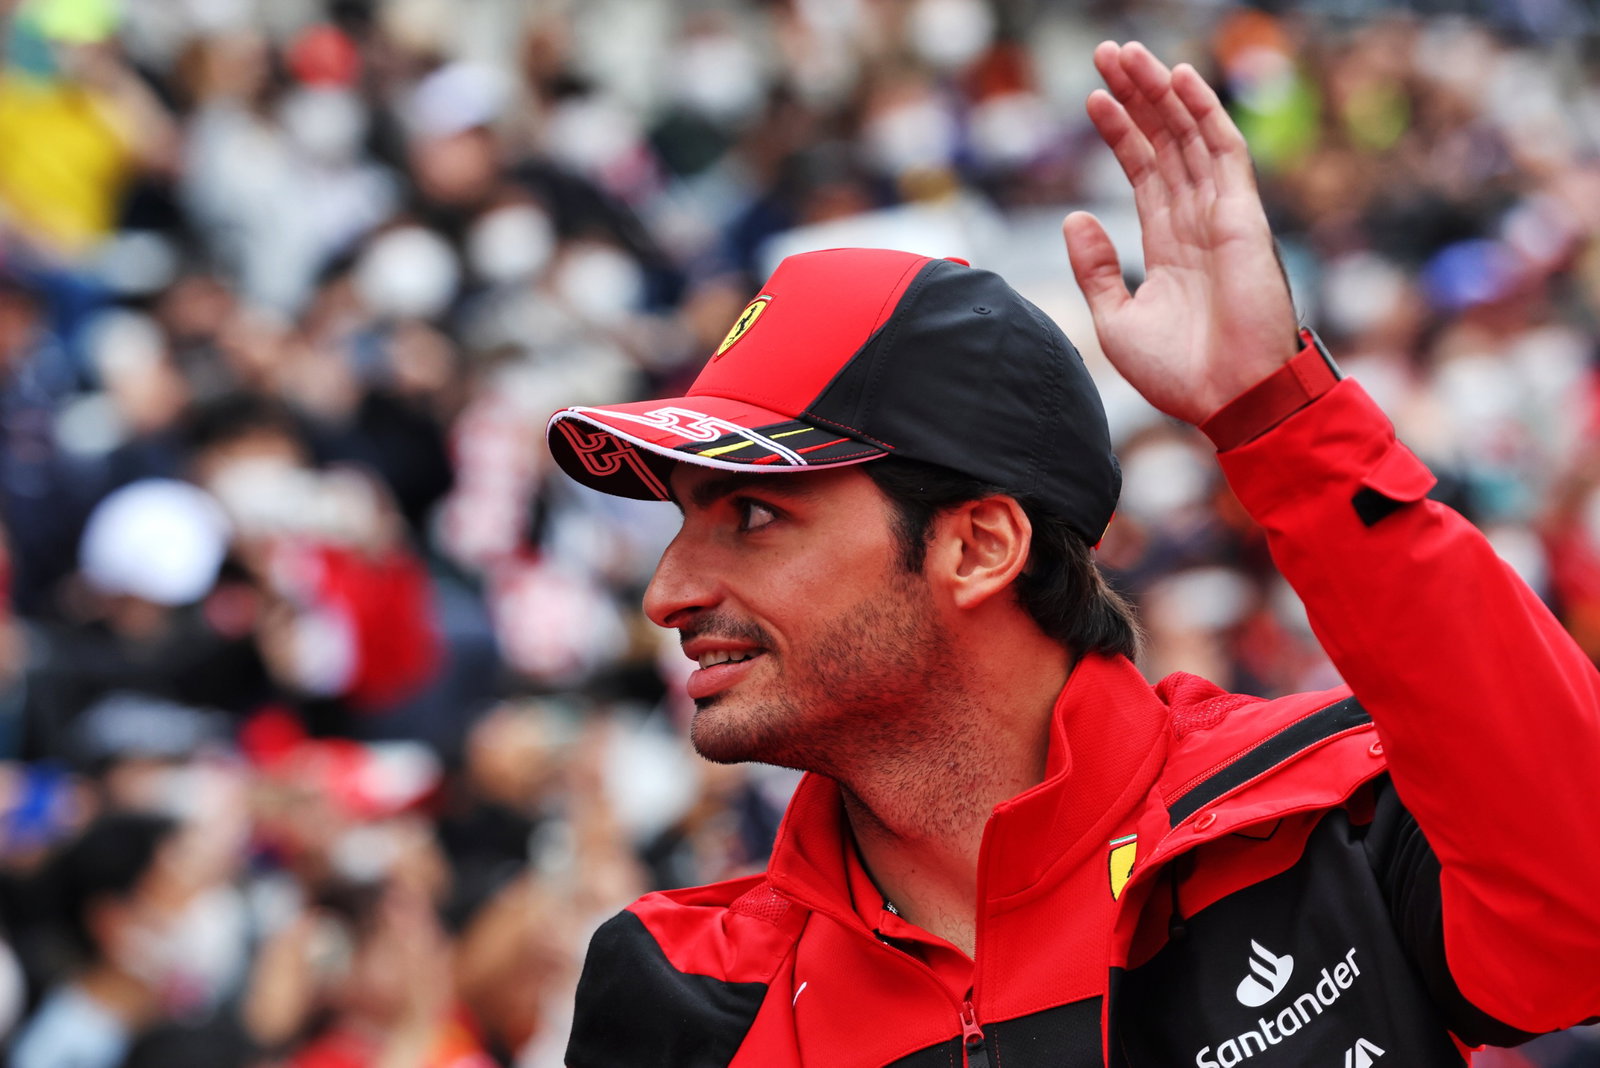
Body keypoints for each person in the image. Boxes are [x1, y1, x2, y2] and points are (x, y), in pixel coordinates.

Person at [544, 42, 1600, 1067]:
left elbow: (1580, 921)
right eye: (681, 522)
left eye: (753, 516)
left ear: (977, 546)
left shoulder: (1314, 804)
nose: (667, 592)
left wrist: (1281, 420)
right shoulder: (681, 992)